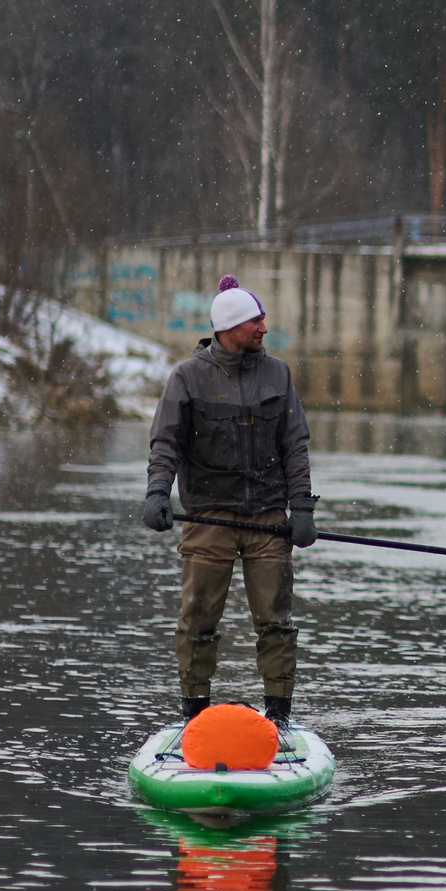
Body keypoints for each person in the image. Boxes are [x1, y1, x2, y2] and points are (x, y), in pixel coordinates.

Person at [141, 276, 314, 725]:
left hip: (270, 519)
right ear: (230, 326)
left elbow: (295, 445)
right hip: (208, 518)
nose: (263, 328)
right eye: (256, 320)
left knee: (276, 622)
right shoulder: (186, 377)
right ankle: (194, 717)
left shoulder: (278, 373)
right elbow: (166, 443)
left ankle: (279, 717)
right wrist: (158, 492)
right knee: (197, 623)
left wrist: (303, 511)